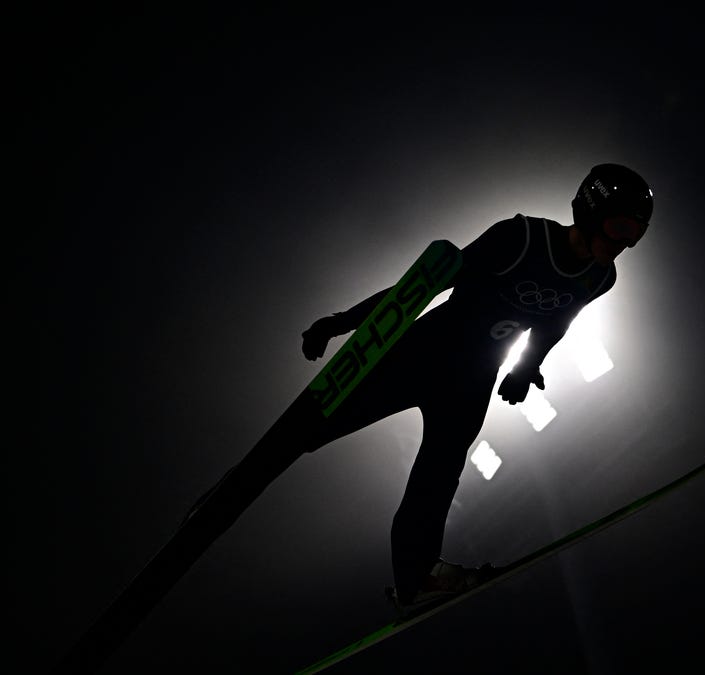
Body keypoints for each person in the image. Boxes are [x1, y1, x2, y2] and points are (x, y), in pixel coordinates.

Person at [55, 163, 653, 674]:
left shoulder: (601, 277)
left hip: (475, 377)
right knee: (315, 429)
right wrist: (342, 323)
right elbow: (423, 286)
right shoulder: (520, 238)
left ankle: (414, 579)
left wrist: (527, 367)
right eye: (621, 226)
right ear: (590, 210)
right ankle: (233, 488)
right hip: (423, 352)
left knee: (440, 474)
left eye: (636, 234)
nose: (624, 242)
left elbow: (556, 321)